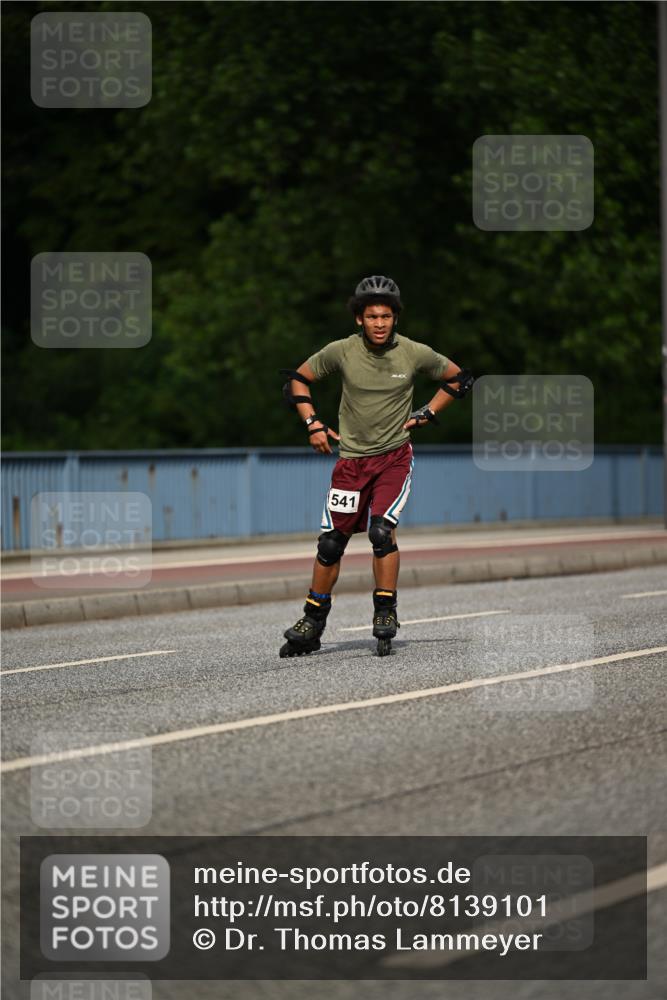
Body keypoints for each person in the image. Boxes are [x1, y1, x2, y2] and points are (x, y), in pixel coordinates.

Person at [279, 275, 473, 658]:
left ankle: (385, 609)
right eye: (372, 317)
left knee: (381, 532)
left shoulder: (413, 352)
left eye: (386, 316)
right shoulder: (342, 351)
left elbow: (460, 378)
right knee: (331, 543)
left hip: (393, 459)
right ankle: (312, 620)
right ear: (359, 319)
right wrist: (312, 424)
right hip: (351, 463)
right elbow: (298, 380)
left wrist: (428, 413)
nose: (379, 324)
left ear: (395, 318)